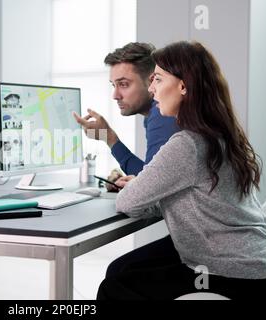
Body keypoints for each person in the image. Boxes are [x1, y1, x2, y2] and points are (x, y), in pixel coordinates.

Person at [97, 41, 266, 300]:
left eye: (157, 79)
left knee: (113, 288)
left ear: (182, 86)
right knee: (122, 269)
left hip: (229, 274)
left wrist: (139, 186)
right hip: (258, 266)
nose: (152, 87)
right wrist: (149, 187)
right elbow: (194, 196)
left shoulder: (187, 143)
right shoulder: (220, 135)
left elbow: (127, 202)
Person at [73, 42, 180, 279]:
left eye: (124, 84)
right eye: (113, 85)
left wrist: (134, 183)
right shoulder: (157, 116)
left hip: (213, 256)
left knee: (118, 276)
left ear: (151, 81)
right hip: (220, 248)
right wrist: (111, 139)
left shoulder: (161, 117)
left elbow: (148, 190)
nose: (115, 95)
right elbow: (153, 178)